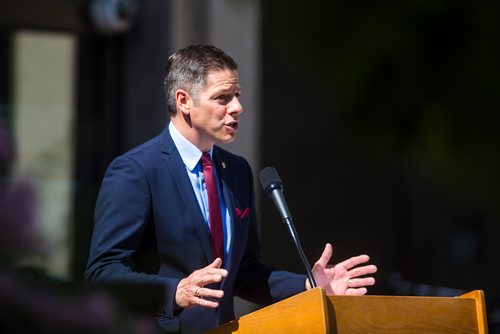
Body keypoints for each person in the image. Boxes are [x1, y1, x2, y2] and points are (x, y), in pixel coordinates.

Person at [85, 45, 377, 333]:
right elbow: (103, 273)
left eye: (237, 95)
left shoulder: (236, 170)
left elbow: (244, 273)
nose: (237, 107)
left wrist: (309, 286)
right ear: (184, 101)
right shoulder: (136, 170)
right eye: (222, 98)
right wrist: (175, 292)